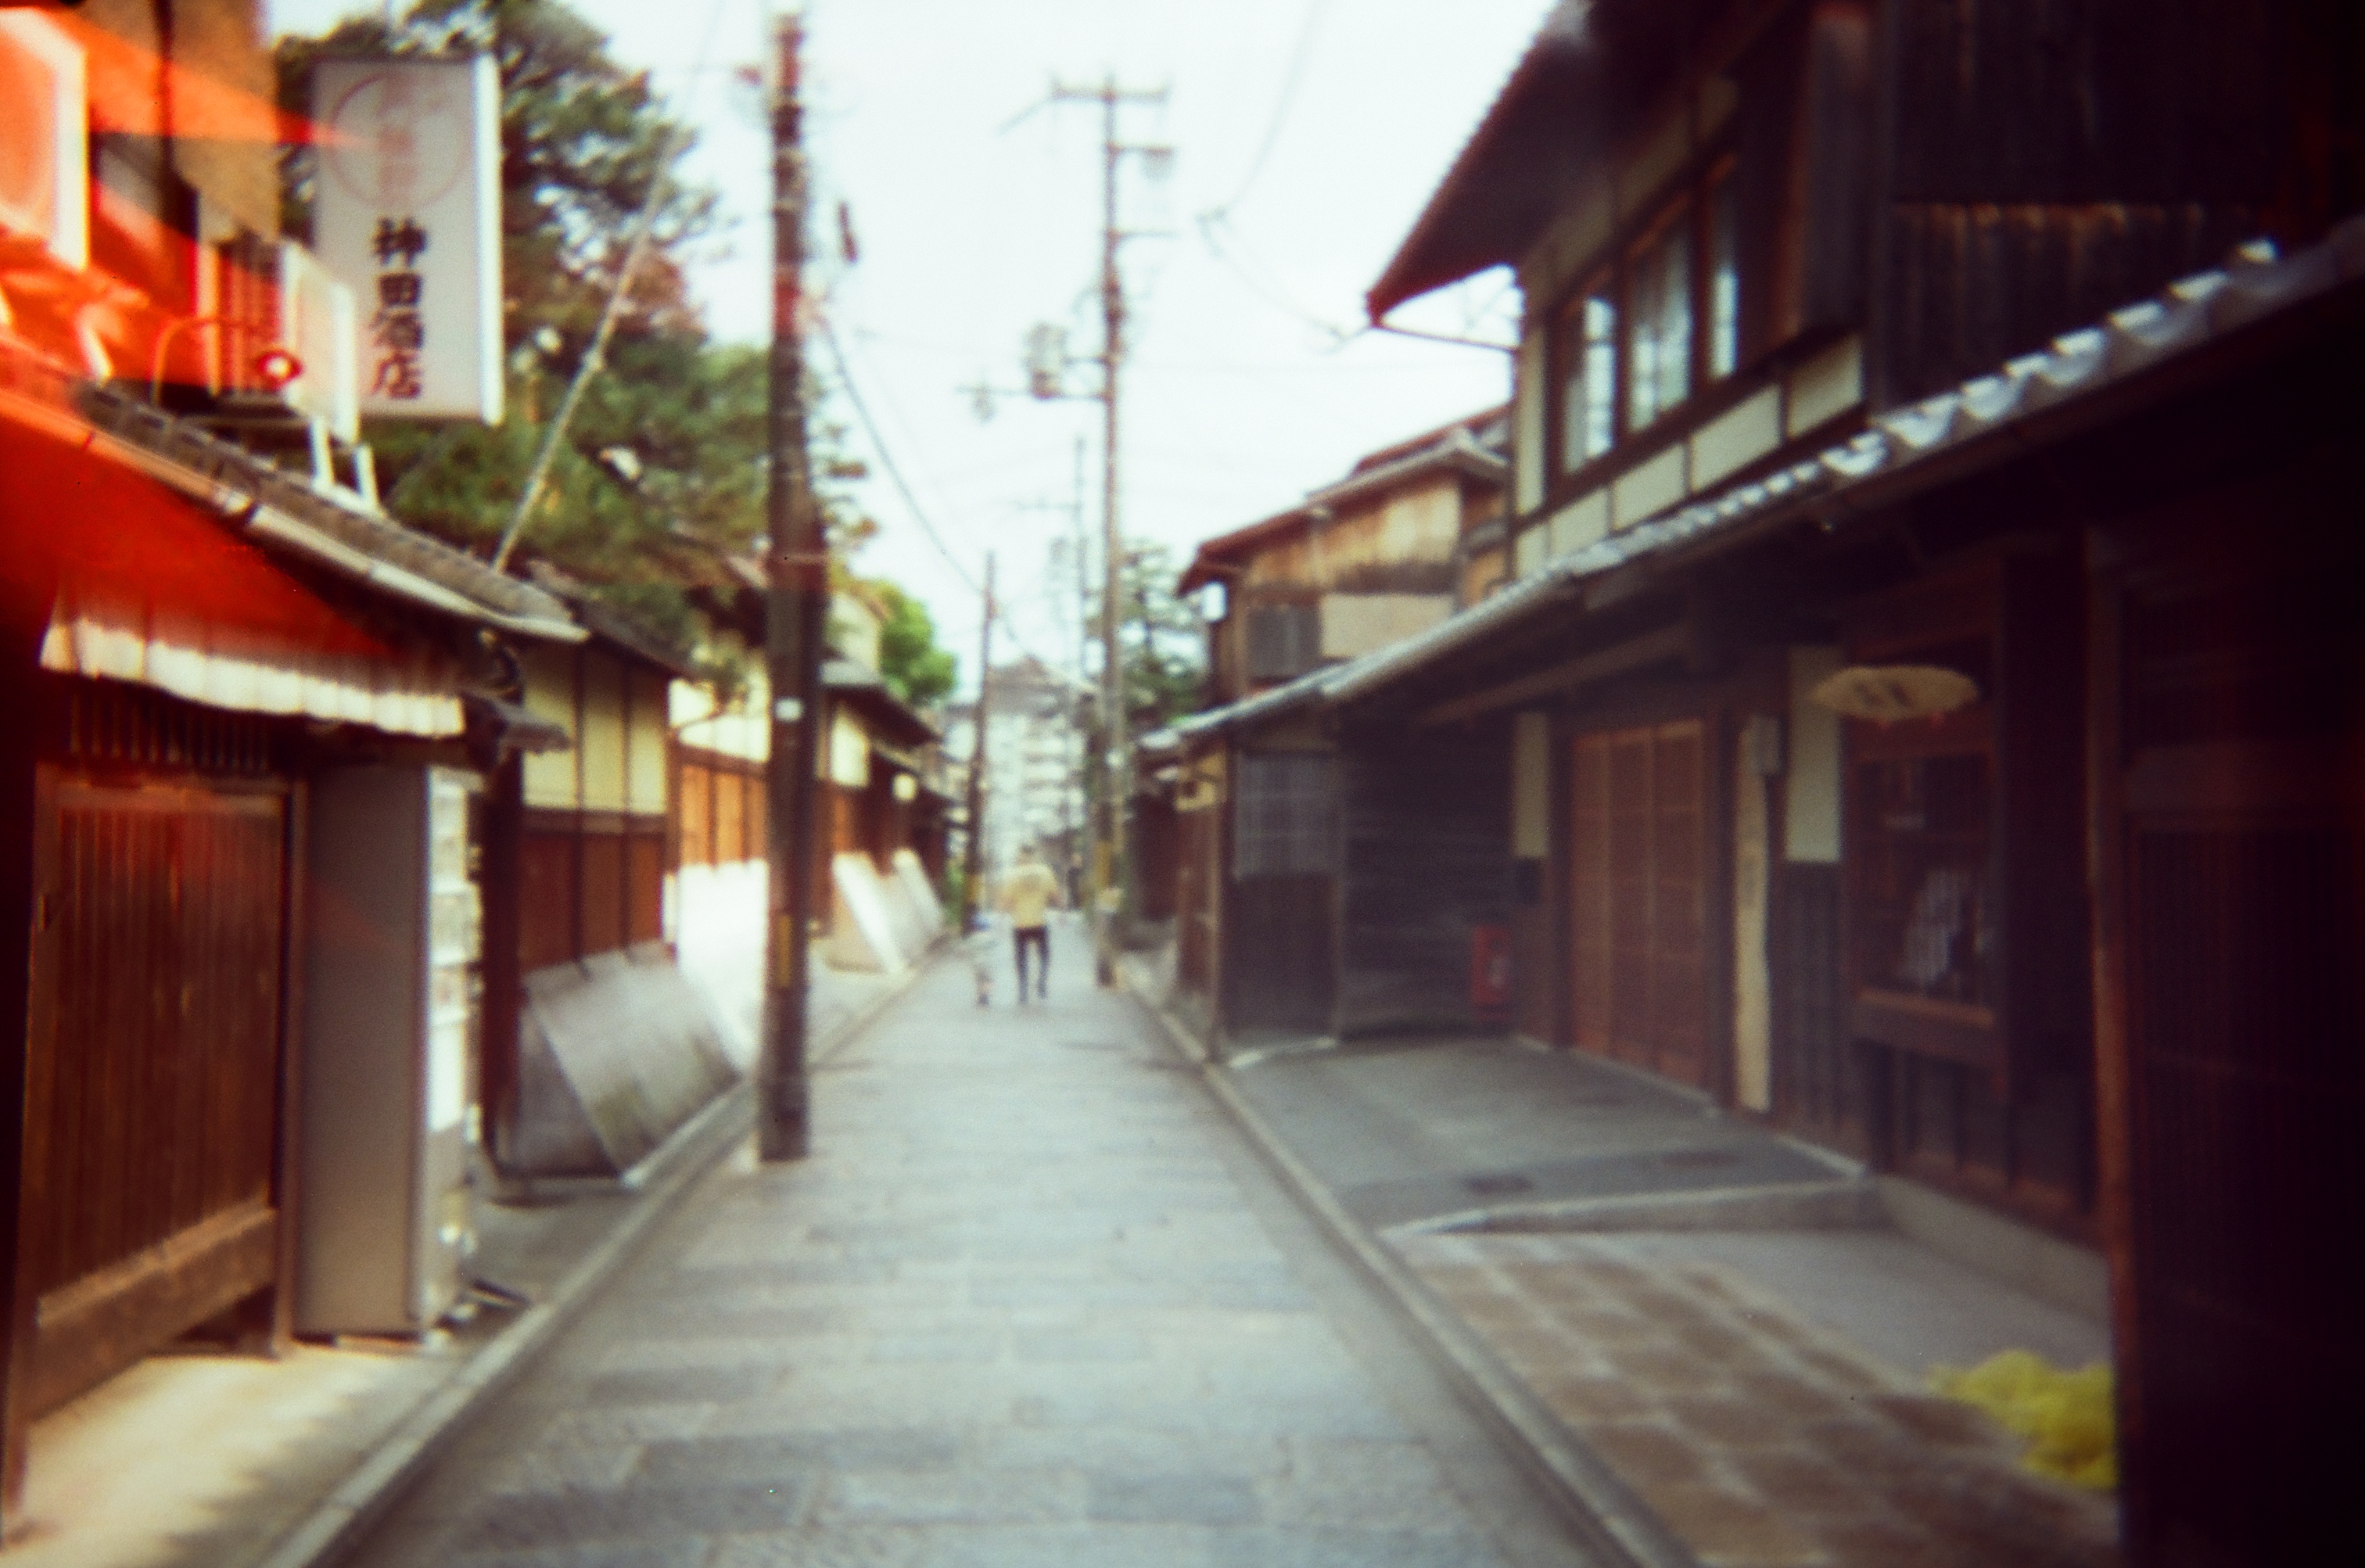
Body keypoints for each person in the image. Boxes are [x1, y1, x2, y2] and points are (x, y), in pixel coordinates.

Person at [997, 845, 1062, 1002]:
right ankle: (1041, 981)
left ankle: (1023, 990)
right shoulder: (1045, 872)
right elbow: (1055, 895)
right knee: (1044, 955)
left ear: (1021, 857)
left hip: (1020, 924)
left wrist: (1000, 917)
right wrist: (1062, 911)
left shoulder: (1013, 875)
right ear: (1034, 856)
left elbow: (1007, 901)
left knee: (1021, 958)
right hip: (1039, 922)